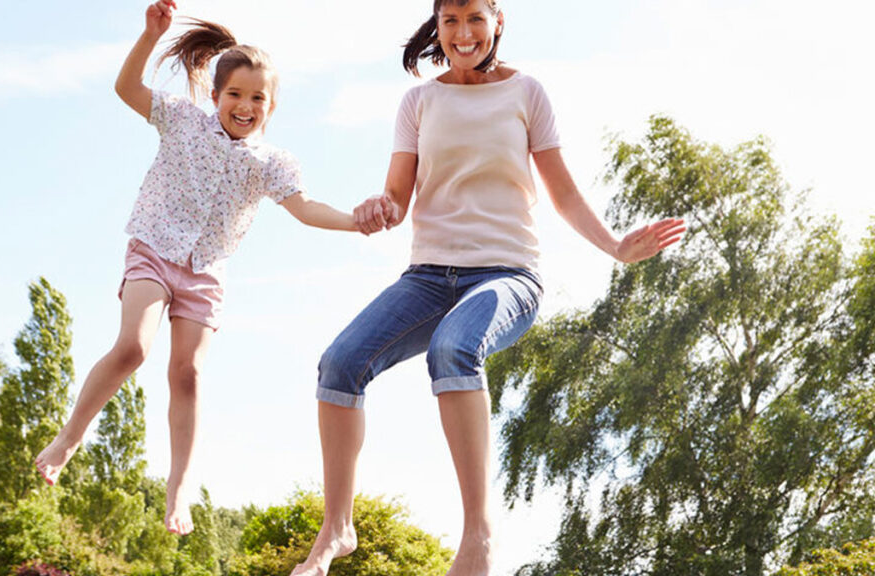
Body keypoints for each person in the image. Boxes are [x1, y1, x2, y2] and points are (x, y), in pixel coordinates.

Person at [291, 0, 685, 574]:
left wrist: (617, 247)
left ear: (498, 20)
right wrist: (381, 206)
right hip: (428, 276)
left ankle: (478, 534)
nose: (462, 32)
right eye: (450, 21)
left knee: (455, 346)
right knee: (340, 361)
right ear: (439, 27)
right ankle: (337, 528)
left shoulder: (527, 93)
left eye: (474, 17)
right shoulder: (419, 101)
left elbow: (564, 193)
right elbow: (398, 197)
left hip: (507, 274)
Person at [35, 0, 358, 535]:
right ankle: (68, 438)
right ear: (215, 97)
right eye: (234, 94)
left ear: (271, 106)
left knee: (188, 373)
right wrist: (149, 36)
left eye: (258, 97)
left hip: (206, 271)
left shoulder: (272, 163)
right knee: (134, 347)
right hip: (154, 249)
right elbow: (127, 89)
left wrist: (356, 221)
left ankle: (179, 487)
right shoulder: (183, 120)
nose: (245, 105)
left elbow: (305, 209)